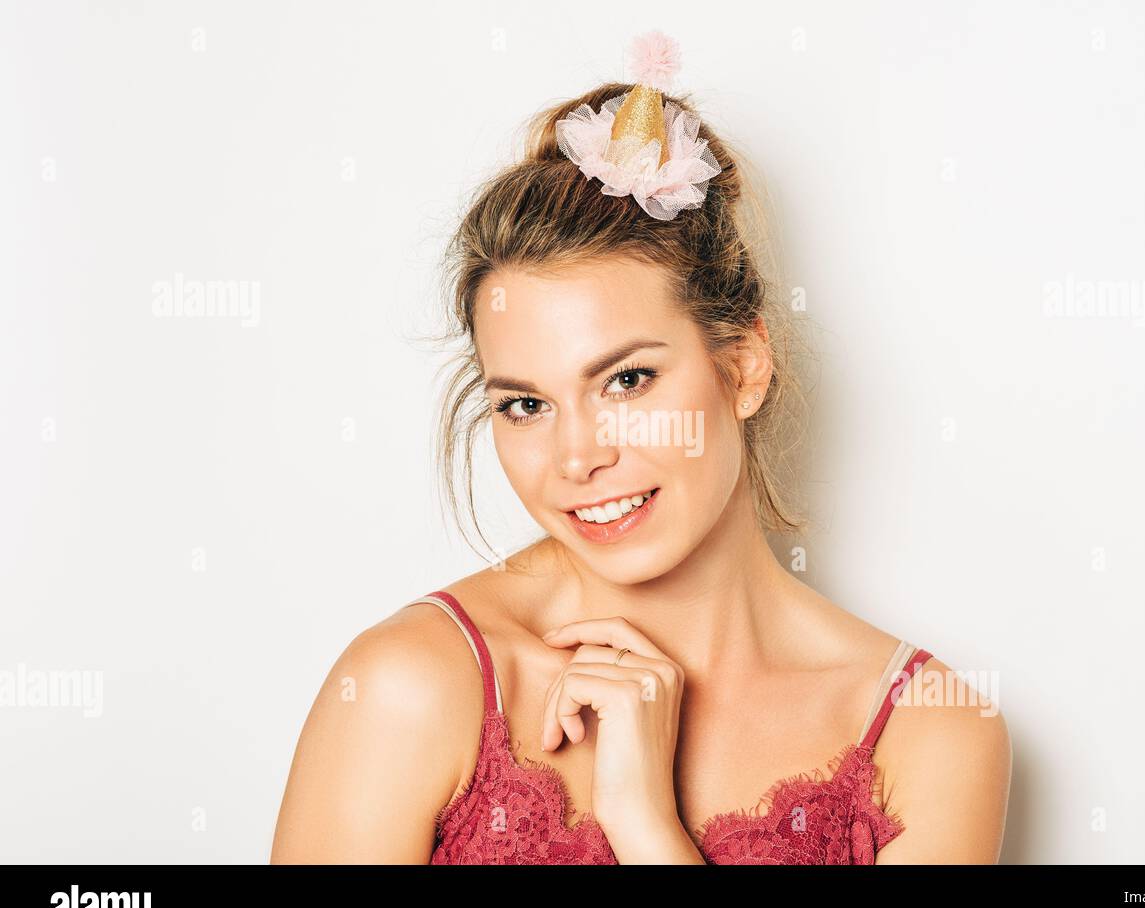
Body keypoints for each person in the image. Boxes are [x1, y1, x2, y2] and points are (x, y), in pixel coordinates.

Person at [271, 31, 1011, 865]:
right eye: (525, 404)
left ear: (743, 367)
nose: (576, 457)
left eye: (625, 382)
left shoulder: (928, 733)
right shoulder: (410, 686)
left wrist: (646, 825)